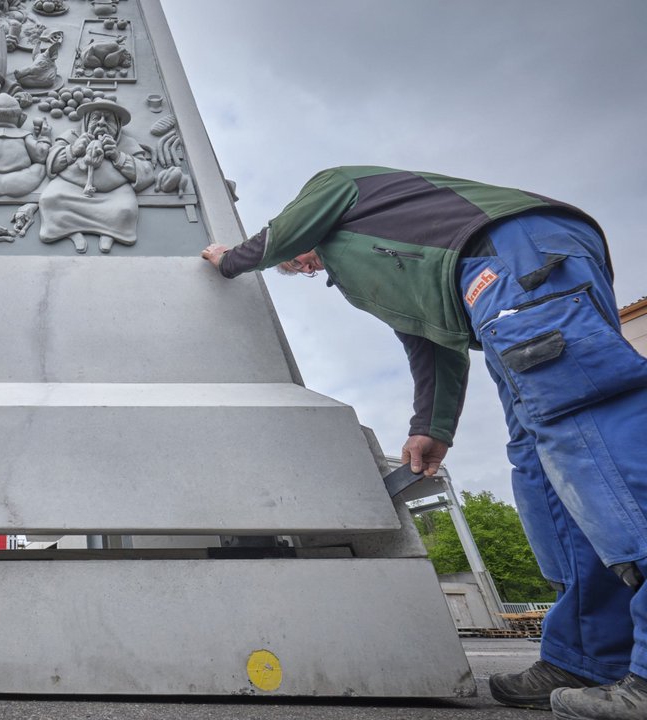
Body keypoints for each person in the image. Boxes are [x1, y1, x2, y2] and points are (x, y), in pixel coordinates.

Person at [201, 166, 647, 720]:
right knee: (539, 468)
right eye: (304, 269)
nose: (309, 265)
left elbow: (283, 232)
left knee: (586, 439)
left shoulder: (334, 186)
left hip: (514, 253)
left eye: (303, 260)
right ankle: (585, 658)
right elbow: (430, 342)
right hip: (491, 292)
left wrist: (231, 261)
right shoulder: (371, 270)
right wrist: (431, 428)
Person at [39, 99, 154, 254]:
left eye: (108, 119)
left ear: (118, 125)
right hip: (70, 189)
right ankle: (70, 232)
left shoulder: (126, 142)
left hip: (113, 194)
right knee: (50, 199)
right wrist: (73, 150)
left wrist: (118, 156)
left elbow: (146, 172)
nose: (101, 123)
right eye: (96, 118)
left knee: (125, 209)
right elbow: (51, 163)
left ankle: (110, 233)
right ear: (86, 121)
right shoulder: (72, 136)